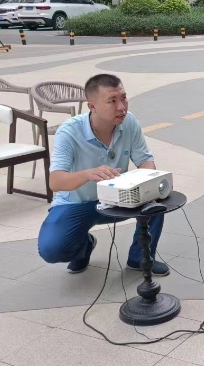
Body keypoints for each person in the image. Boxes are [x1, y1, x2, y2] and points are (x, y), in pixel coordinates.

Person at [37, 73, 169, 276]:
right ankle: (85, 246)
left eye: (123, 98)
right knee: (52, 249)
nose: (121, 107)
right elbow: (56, 182)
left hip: (119, 199)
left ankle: (141, 258)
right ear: (92, 106)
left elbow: (145, 161)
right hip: (78, 203)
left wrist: (146, 182)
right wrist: (88, 174)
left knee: (156, 195)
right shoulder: (69, 132)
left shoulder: (129, 122)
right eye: (112, 101)